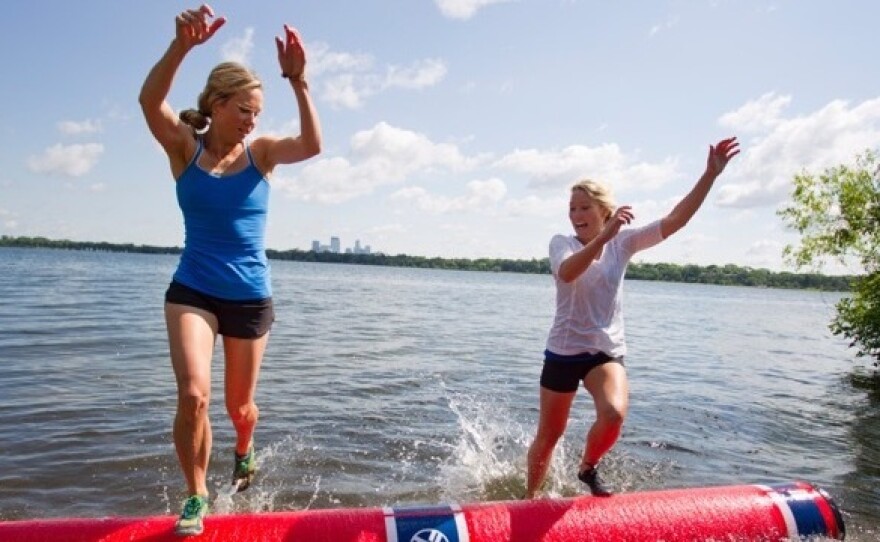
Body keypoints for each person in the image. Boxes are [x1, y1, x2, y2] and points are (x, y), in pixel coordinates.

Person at [138, 4, 321, 536]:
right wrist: (182, 47)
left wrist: (299, 81)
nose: (251, 121)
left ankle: (244, 447)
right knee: (194, 395)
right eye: (244, 109)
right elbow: (150, 102)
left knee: (240, 407)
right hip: (192, 288)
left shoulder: (261, 155)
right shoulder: (183, 149)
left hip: (249, 298)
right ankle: (195, 497)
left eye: (257, 113)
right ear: (216, 105)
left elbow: (311, 145)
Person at [525, 137, 739, 499]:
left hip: (604, 351)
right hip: (563, 351)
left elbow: (676, 220)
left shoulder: (623, 243)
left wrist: (710, 175)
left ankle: (587, 468)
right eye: (572, 208)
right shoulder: (560, 242)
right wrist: (602, 238)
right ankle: (528, 500)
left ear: (603, 211)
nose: (576, 216)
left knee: (614, 413)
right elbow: (569, 273)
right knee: (549, 436)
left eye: (584, 208)